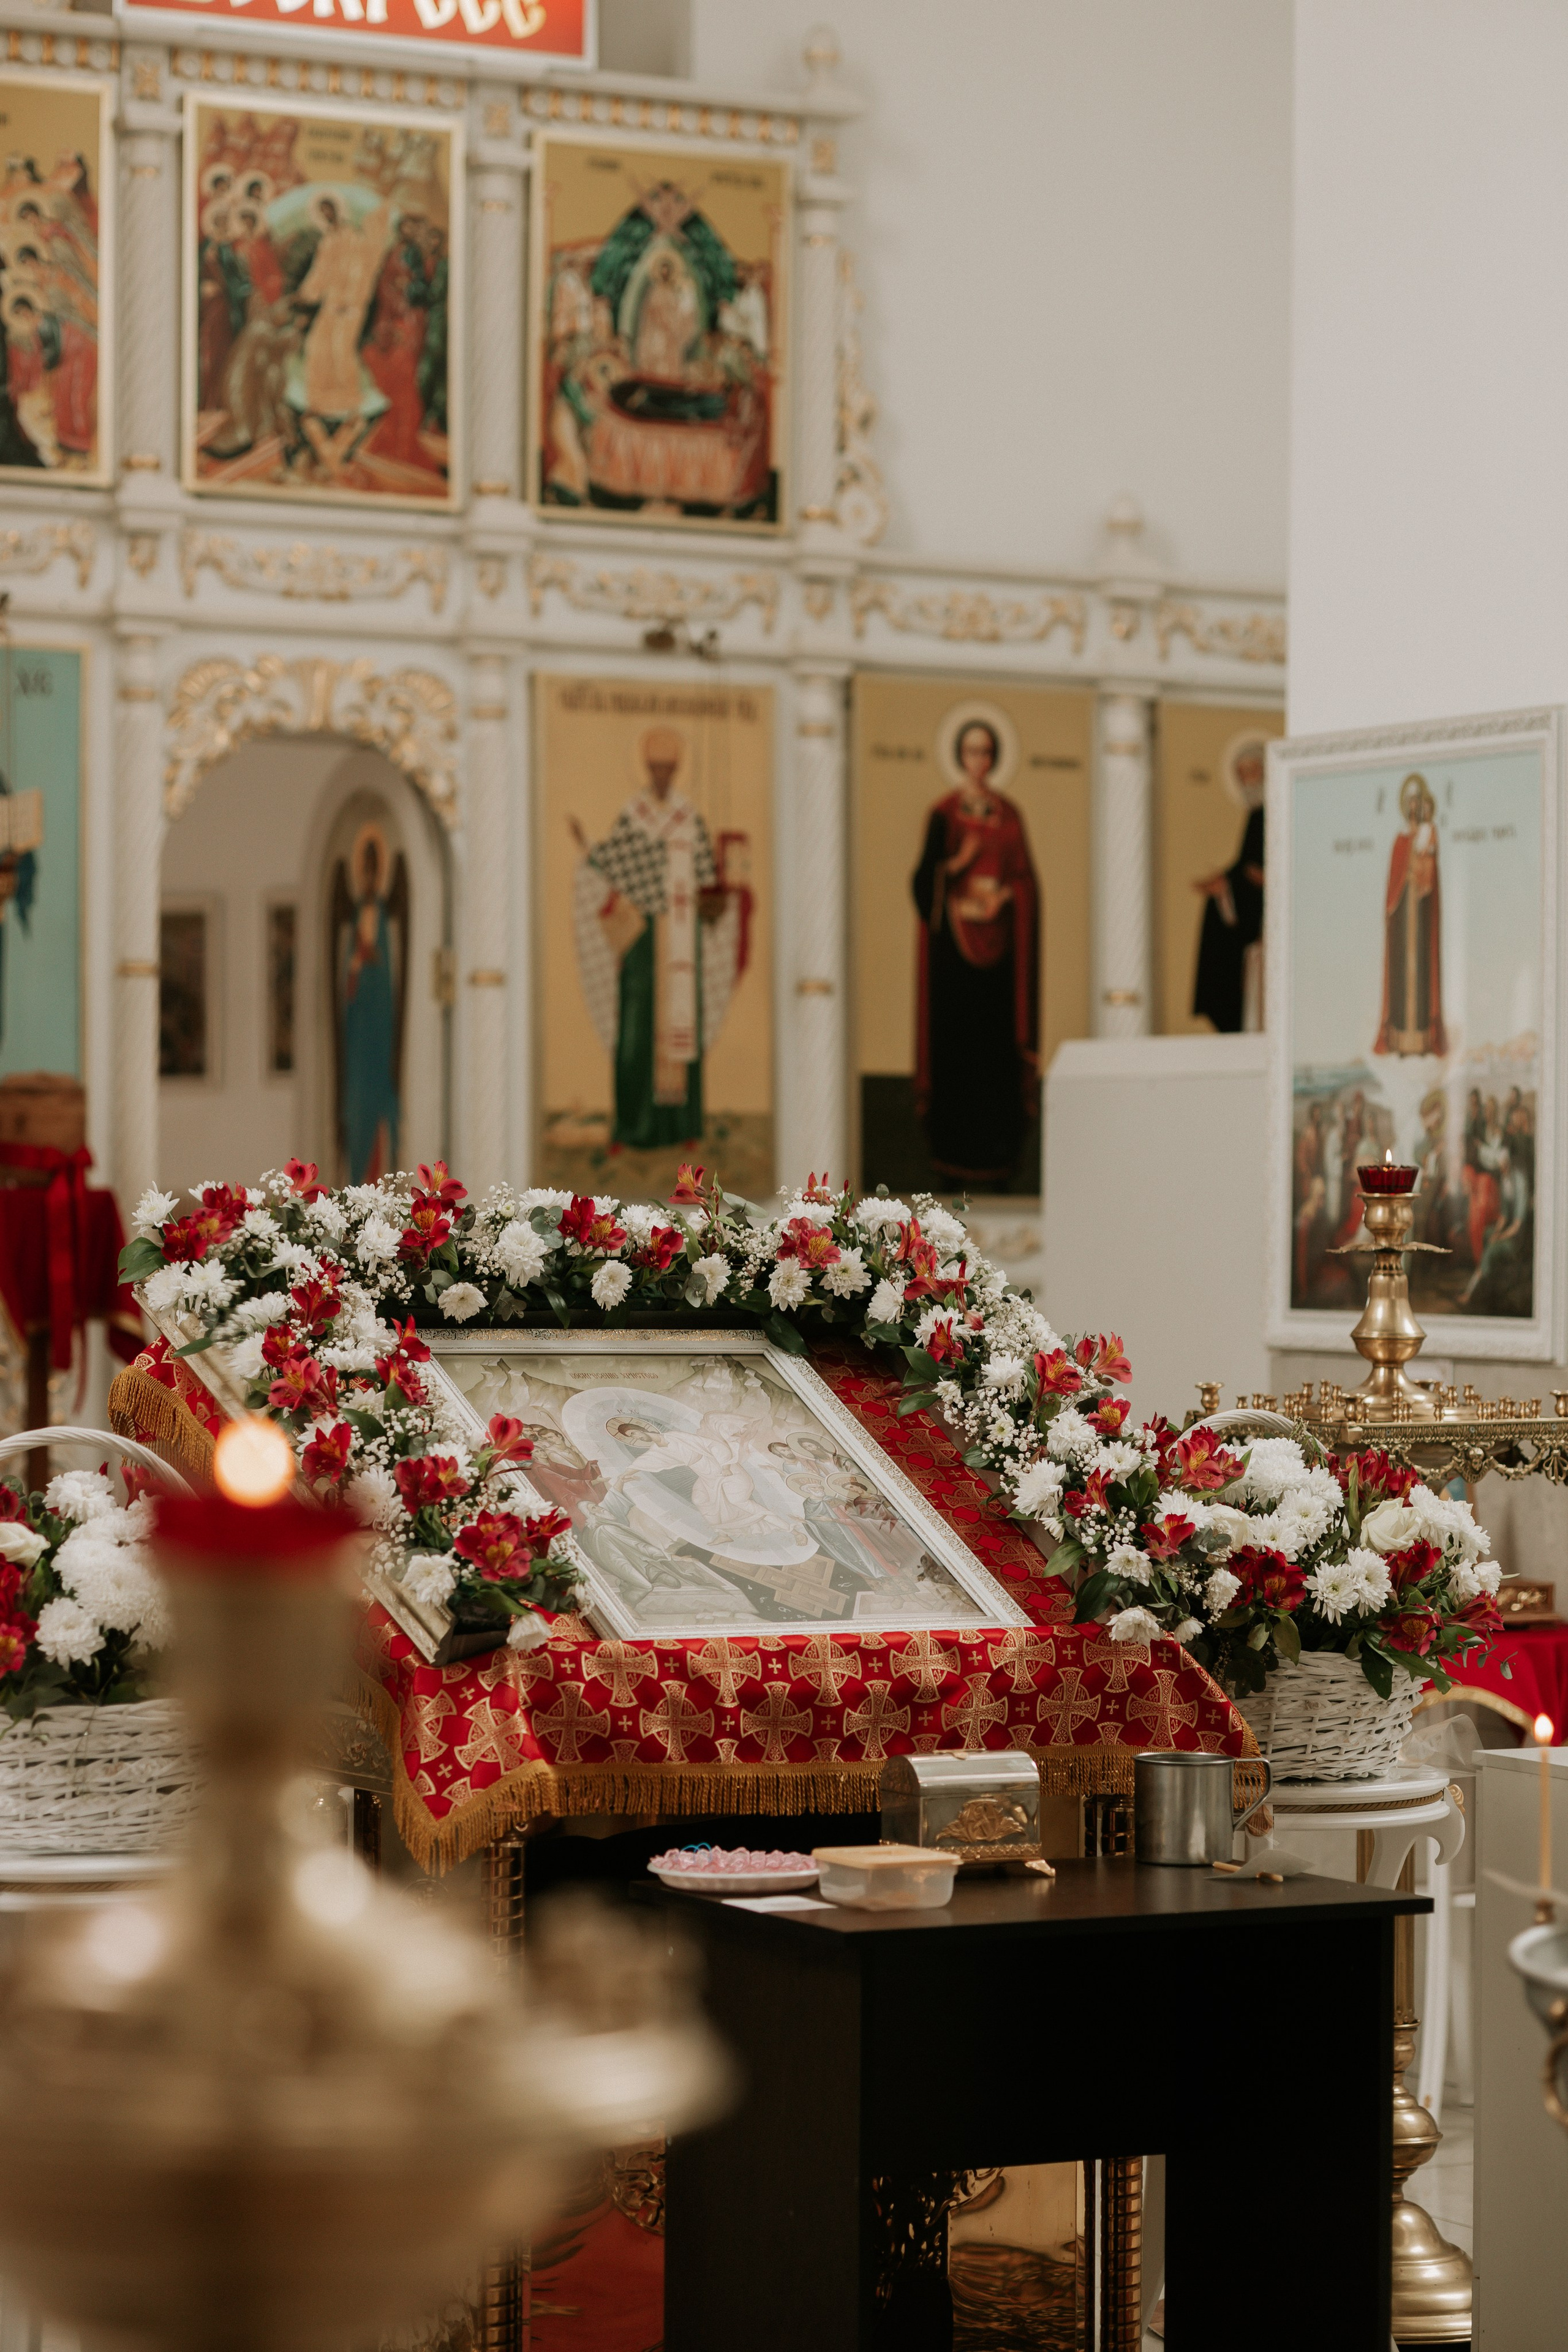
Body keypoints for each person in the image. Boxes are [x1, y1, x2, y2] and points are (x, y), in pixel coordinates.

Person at [570, 725, 742, 1155]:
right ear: (647, 769)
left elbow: (706, 876)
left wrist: (714, 897)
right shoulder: (635, 814)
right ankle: (631, 1127)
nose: (663, 775)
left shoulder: (689, 816)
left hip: (682, 941)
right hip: (644, 941)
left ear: (677, 769)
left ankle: (682, 1126)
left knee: (682, 1028)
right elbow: (616, 861)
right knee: (635, 1032)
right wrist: (588, 846)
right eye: (656, 768)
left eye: (669, 768)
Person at [911, 714, 1040, 1184]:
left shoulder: (1009, 815)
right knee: (958, 1057)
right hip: (954, 962)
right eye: (971, 752)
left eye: (986, 753)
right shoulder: (943, 813)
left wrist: (1005, 897)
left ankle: (999, 1157)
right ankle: (951, 1157)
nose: (979, 761)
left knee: (994, 1058)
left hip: (999, 964)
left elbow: (1026, 880)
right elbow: (923, 884)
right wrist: (955, 866)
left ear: (995, 758)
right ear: (960, 757)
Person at [330, 820, 407, 1183]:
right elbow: (350, 967)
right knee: (358, 1096)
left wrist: (371, 958)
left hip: (380, 1016)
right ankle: (356, 1177)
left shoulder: (384, 915)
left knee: (379, 1094)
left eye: (377, 869)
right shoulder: (358, 911)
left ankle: (382, 1173)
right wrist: (358, 961)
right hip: (360, 1017)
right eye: (368, 869)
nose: (372, 876)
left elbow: (387, 962)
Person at [1192, 733, 1267, 1032]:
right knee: (1215, 910)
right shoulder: (1256, 814)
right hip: (1251, 901)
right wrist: (1224, 883)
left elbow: (1261, 869)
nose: (1247, 780)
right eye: (1241, 774)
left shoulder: (1276, 810)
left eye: (1252, 771)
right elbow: (1245, 865)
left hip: (1266, 908)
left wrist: (1235, 884)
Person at [1376, 771, 1447, 1057]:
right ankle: (1399, 1041)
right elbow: (1393, 884)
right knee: (1402, 973)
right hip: (1404, 916)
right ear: (1406, 808)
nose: (1416, 810)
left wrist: (1423, 870)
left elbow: (1431, 873)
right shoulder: (1401, 842)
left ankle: (1423, 1040)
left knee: (1422, 972)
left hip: (1421, 915)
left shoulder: (1428, 836)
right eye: (1412, 805)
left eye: (1421, 805)